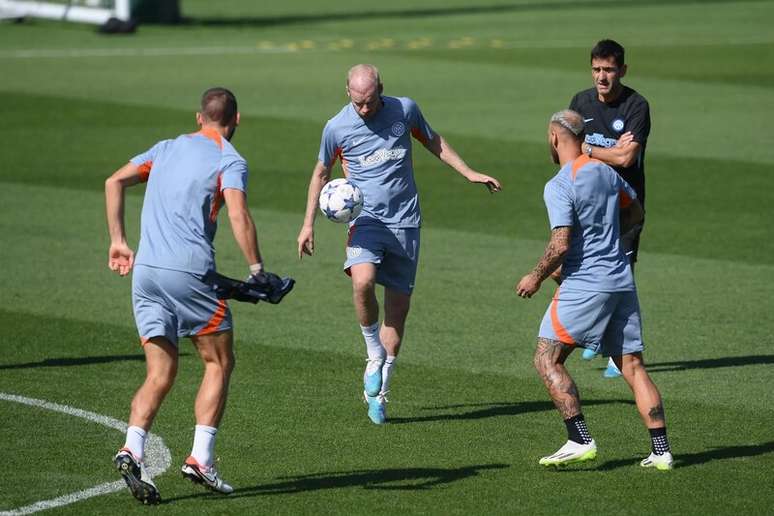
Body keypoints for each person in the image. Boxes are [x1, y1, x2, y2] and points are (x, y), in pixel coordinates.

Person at [297, 64, 501, 425]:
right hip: (366, 222)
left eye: (370, 102)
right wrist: (307, 223)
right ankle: (371, 350)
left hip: (406, 222)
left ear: (381, 90)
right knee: (361, 282)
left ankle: (379, 391)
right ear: (348, 92)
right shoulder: (336, 128)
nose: (365, 109)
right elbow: (321, 173)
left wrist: (468, 172)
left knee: (398, 310)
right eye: (358, 103)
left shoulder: (404, 110)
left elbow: (433, 140)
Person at [105, 87, 264, 503]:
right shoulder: (230, 159)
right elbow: (237, 213)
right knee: (218, 361)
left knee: (160, 373)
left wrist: (118, 241)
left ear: (199, 117)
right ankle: (201, 459)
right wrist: (257, 270)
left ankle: (132, 448)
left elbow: (114, 181)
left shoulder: (166, 148)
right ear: (237, 120)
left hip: (147, 274)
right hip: (190, 273)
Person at [515, 109, 673, 470]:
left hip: (586, 284)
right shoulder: (604, 171)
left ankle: (579, 439)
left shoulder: (559, 184)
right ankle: (661, 451)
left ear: (554, 137)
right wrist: (611, 243)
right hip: (621, 279)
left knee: (546, 358)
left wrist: (535, 277)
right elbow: (634, 212)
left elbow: (560, 243)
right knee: (633, 366)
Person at [569, 39, 651, 376]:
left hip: (625, 204)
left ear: (622, 70)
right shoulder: (580, 101)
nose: (602, 77)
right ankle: (600, 332)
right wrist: (605, 152)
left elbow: (626, 157)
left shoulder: (636, 105)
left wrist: (588, 149)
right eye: (597, 69)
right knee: (572, 268)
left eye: (610, 70)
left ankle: (622, 352)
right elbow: (567, 148)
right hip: (589, 202)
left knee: (621, 273)